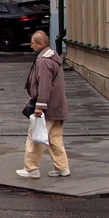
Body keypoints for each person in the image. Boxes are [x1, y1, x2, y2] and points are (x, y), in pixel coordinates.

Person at [17, 30, 69, 179]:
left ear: (39, 44)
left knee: (35, 136)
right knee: (54, 137)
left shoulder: (43, 61)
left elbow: (44, 86)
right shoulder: (53, 57)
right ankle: (62, 167)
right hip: (58, 106)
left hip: (48, 107)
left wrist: (39, 106)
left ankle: (32, 168)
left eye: (33, 43)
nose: (31, 46)